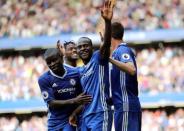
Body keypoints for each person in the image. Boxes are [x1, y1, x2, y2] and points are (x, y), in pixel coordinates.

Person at [69, 1, 114, 131]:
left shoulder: (98, 58)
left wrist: (107, 22)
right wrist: (75, 112)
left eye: (85, 46)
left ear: (91, 48)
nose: (82, 48)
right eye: (80, 47)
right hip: (86, 116)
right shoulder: (80, 70)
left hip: (101, 114)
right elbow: (88, 98)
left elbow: (106, 45)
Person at [38, 48, 92, 131]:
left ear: (61, 57)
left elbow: (84, 99)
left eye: (54, 60)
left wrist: (75, 112)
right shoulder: (44, 79)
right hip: (54, 121)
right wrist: (74, 100)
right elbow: (51, 103)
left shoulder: (76, 73)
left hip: (70, 120)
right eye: (49, 63)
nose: (52, 64)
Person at [109, 22, 142, 131]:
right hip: (122, 105)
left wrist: (109, 59)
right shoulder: (116, 53)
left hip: (126, 105)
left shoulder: (122, 50)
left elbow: (131, 69)